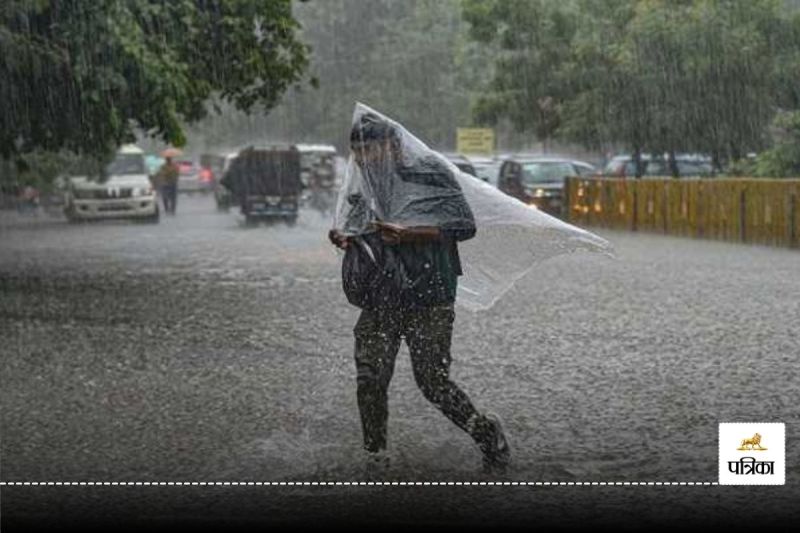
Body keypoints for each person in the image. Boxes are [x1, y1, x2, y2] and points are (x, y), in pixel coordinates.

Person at [329, 114, 511, 471]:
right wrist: (345, 237)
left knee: (431, 381)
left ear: (393, 145)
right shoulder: (365, 182)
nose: (364, 159)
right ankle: (376, 457)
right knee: (370, 377)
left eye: (370, 150)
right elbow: (359, 226)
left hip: (429, 293)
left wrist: (409, 234)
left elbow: (464, 226)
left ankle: (487, 434)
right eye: (357, 152)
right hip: (382, 293)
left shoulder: (430, 173)